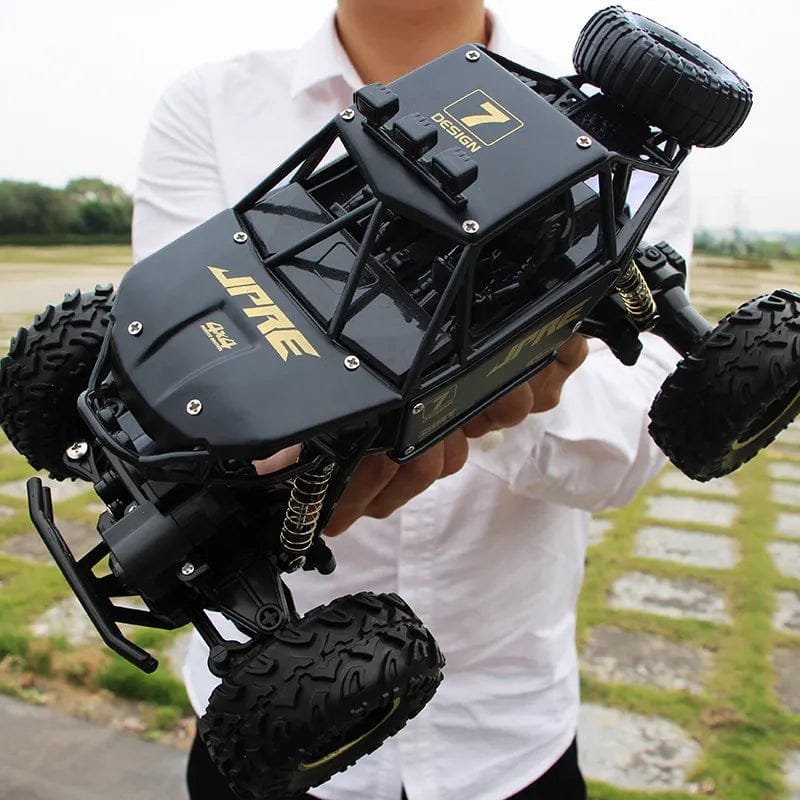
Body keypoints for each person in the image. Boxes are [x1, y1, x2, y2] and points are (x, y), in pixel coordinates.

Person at [132, 2, 692, 799]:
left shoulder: (619, 158)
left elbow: (627, 453)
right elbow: (177, 364)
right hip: (284, 720)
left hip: (504, 735)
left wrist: (490, 386)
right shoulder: (213, 104)